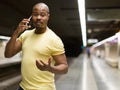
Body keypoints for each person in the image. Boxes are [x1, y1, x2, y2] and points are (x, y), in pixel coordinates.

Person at [4, 2, 68, 90]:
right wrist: (16, 32)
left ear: (48, 17)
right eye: (35, 14)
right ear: (31, 17)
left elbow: (64, 67)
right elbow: (8, 54)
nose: (38, 18)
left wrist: (49, 68)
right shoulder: (25, 35)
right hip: (23, 87)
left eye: (42, 15)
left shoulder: (54, 39)